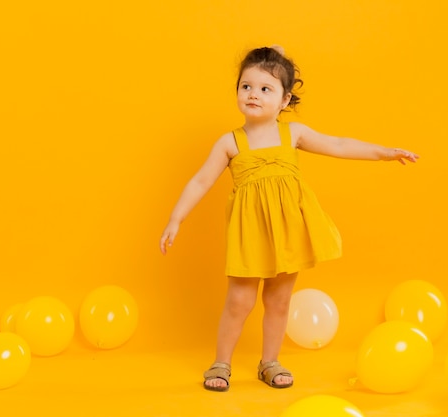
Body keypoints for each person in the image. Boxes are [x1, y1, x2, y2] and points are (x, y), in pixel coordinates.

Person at [159, 45, 418, 392]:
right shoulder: (230, 142)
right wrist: (176, 218)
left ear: (284, 101)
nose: (253, 94)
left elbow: (339, 145)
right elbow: (201, 180)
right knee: (239, 301)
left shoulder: (292, 134)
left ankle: (270, 362)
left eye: (266, 89)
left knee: (279, 300)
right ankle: (221, 364)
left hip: (287, 230)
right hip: (250, 233)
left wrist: (383, 153)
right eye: (246, 86)